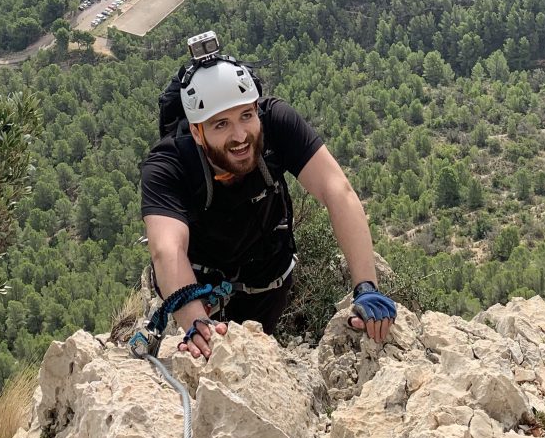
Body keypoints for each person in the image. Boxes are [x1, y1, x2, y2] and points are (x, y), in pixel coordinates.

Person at [140, 35, 397, 360]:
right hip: (198, 290)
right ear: (196, 132)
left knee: (255, 364)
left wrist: (366, 287)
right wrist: (197, 326)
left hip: (268, 286)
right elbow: (167, 248)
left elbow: (337, 191)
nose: (240, 136)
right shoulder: (169, 165)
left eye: (247, 116)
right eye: (221, 124)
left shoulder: (276, 123)